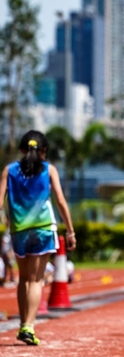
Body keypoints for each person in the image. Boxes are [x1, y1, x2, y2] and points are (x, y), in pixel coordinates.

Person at [0, 130, 76, 345]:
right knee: (36, 280)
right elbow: (60, 200)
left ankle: (23, 324)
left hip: (19, 230)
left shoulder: (9, 170)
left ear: (22, 150)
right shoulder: (48, 169)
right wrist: (70, 231)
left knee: (24, 278)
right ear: (44, 151)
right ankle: (28, 326)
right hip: (43, 229)